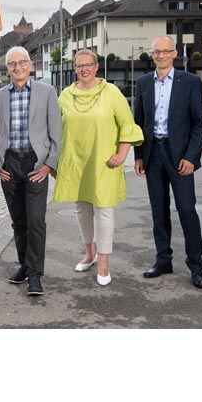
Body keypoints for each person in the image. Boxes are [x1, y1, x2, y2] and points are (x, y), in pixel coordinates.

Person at [53, 49, 143, 286]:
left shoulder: (111, 92)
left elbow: (127, 125)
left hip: (104, 161)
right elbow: (54, 130)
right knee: (82, 209)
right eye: (79, 65)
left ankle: (104, 262)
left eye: (88, 64)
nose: (83, 69)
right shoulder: (65, 95)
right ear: (75, 69)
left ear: (96, 67)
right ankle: (89, 253)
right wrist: (53, 162)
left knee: (104, 210)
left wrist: (121, 154)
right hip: (75, 161)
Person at [134, 35, 202, 289]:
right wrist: (139, 155)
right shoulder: (143, 83)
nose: (162, 55)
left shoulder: (189, 82)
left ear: (175, 53)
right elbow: (138, 123)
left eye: (166, 51)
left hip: (181, 158)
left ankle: (196, 266)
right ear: (152, 55)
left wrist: (191, 157)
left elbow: (199, 125)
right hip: (153, 154)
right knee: (159, 211)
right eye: (157, 52)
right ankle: (163, 260)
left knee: (187, 210)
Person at [0, 46, 61, 295]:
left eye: (21, 63)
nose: (17, 68)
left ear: (30, 65)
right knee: (18, 221)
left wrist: (49, 164)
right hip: (10, 165)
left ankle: (35, 274)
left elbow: (56, 134)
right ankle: (24, 265)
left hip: (36, 164)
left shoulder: (47, 92)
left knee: (36, 221)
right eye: (12, 64)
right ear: (7, 68)